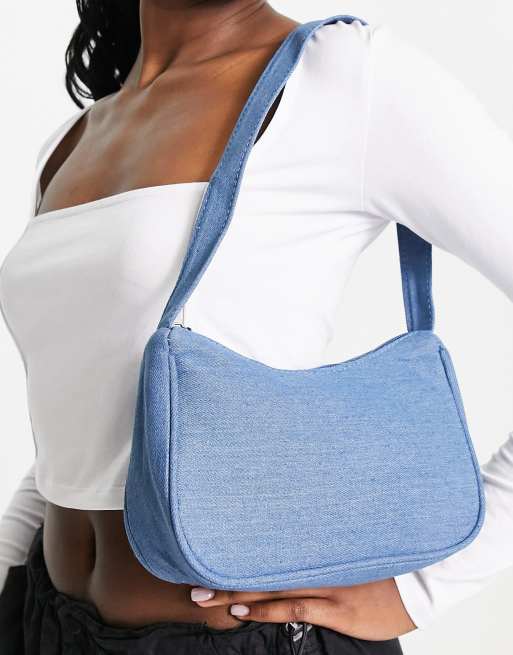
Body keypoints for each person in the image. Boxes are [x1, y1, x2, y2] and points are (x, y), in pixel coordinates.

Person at [0, 1, 512, 653]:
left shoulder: (346, 74)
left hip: (240, 635)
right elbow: (80, 427)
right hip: (41, 617)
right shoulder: (71, 140)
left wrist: (421, 590)